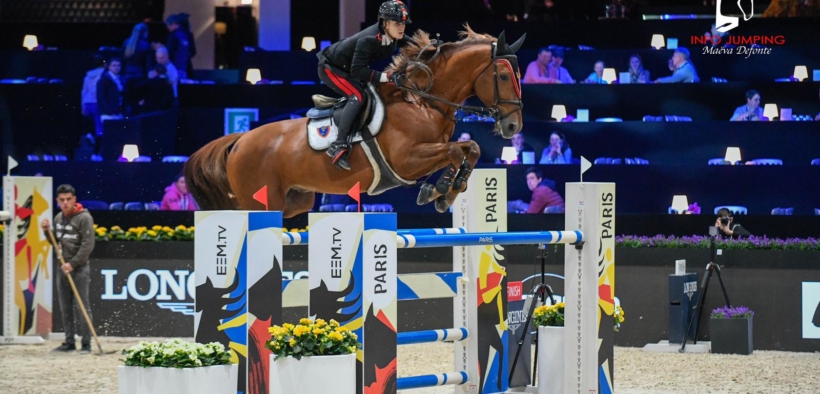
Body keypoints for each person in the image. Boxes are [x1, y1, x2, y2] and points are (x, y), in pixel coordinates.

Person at [317, 0, 411, 170]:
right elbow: (358, 71)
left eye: (403, 23)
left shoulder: (393, 35)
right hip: (331, 68)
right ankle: (338, 145)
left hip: (347, 68)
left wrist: (435, 48)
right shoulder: (369, 39)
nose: (402, 28)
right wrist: (388, 78)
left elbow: (416, 46)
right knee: (358, 96)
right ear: (385, 23)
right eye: (398, 23)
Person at [40, 184, 95, 354]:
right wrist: (46, 232)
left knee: (82, 306)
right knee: (65, 306)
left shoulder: (84, 218)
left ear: (74, 199)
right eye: (62, 200)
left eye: (68, 199)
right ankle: (69, 341)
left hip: (78, 268)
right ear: (57, 201)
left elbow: (87, 245)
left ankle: (86, 343)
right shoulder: (58, 218)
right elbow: (56, 244)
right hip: (62, 268)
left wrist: (73, 264)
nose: (65, 203)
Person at [166, 14, 192, 80]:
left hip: (173, 69)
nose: (168, 27)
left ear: (175, 24)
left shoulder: (173, 36)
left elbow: (170, 53)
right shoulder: (184, 35)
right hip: (183, 69)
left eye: (169, 24)